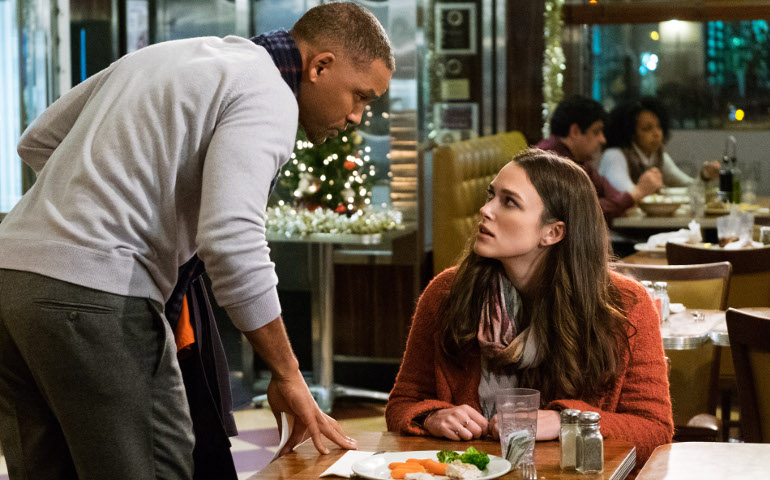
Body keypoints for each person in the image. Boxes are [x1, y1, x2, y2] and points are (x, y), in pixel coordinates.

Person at [0, 2, 393, 479]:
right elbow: (231, 237)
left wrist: (90, 210)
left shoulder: (176, 56)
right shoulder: (269, 94)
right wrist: (288, 373)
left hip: (11, 280)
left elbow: (37, 140)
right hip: (96, 294)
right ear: (320, 65)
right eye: (361, 96)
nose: (357, 117)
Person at [385, 149, 674, 470]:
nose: (485, 209)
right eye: (490, 195)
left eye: (509, 202)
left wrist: (567, 421)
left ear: (553, 232)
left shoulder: (622, 303)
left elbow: (655, 431)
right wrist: (431, 417)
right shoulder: (446, 292)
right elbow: (402, 404)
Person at [537, 96, 662, 223]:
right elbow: (584, 213)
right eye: (596, 132)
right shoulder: (551, 161)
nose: (602, 139)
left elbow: (611, 195)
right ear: (575, 131)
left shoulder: (580, 160)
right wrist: (638, 192)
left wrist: (624, 199)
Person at [600, 97, 720, 193]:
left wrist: (704, 176)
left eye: (659, 127)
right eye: (647, 128)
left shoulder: (658, 156)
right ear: (630, 132)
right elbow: (625, 194)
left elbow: (688, 185)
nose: (656, 134)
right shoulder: (615, 155)